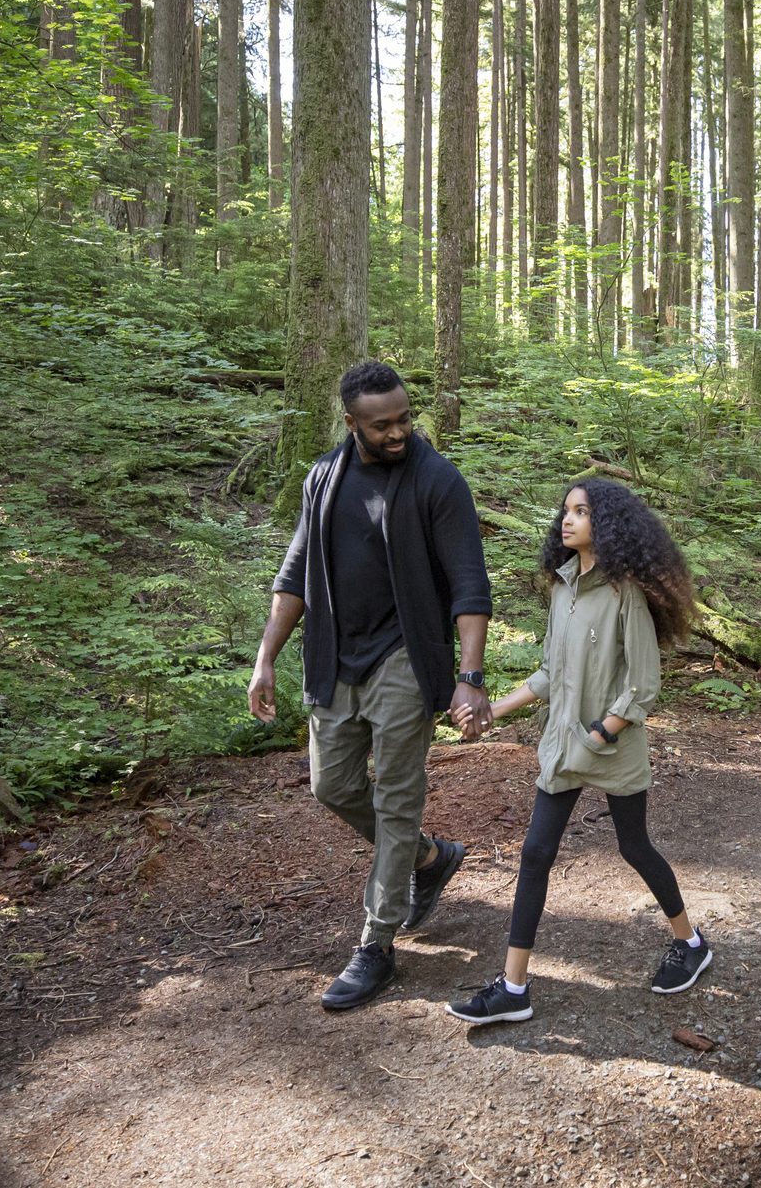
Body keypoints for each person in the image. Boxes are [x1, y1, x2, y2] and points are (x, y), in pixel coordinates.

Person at [249, 361, 495, 1011]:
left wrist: (469, 677)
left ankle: (375, 945)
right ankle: (427, 857)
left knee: (395, 798)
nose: (397, 431)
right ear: (352, 422)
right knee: (332, 784)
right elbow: (296, 571)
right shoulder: (324, 477)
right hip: (335, 657)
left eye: (404, 418)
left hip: (407, 659)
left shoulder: (437, 480)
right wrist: (265, 657)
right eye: (382, 424)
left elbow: (470, 582)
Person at [446, 479, 709, 1025]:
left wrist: (604, 731)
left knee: (635, 847)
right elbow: (549, 672)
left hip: (610, 748)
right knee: (536, 854)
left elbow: (643, 682)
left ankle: (691, 942)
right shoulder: (563, 588)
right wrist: (496, 707)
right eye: (566, 511)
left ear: (606, 524)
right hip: (562, 748)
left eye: (582, 512)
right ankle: (514, 987)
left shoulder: (623, 593)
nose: (568, 521)